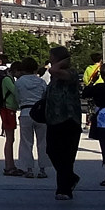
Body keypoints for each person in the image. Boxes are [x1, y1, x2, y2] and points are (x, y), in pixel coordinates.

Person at [41, 46, 83, 200]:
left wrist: (64, 61)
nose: (49, 59)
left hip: (69, 119)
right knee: (51, 150)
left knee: (67, 155)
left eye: (51, 56)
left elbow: (54, 70)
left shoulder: (70, 73)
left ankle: (64, 190)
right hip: (53, 119)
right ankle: (70, 178)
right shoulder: (54, 77)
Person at [13, 57, 49, 179]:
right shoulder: (41, 82)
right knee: (43, 142)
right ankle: (42, 169)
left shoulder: (19, 82)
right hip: (40, 113)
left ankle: (28, 169)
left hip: (25, 112)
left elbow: (16, 98)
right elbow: (45, 97)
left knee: (26, 143)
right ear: (35, 68)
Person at [0, 62, 22, 177]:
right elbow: (16, 92)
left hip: (9, 109)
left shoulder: (9, 78)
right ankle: (9, 166)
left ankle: (10, 165)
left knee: (10, 139)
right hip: (8, 109)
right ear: (15, 70)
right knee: (9, 139)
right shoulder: (7, 80)